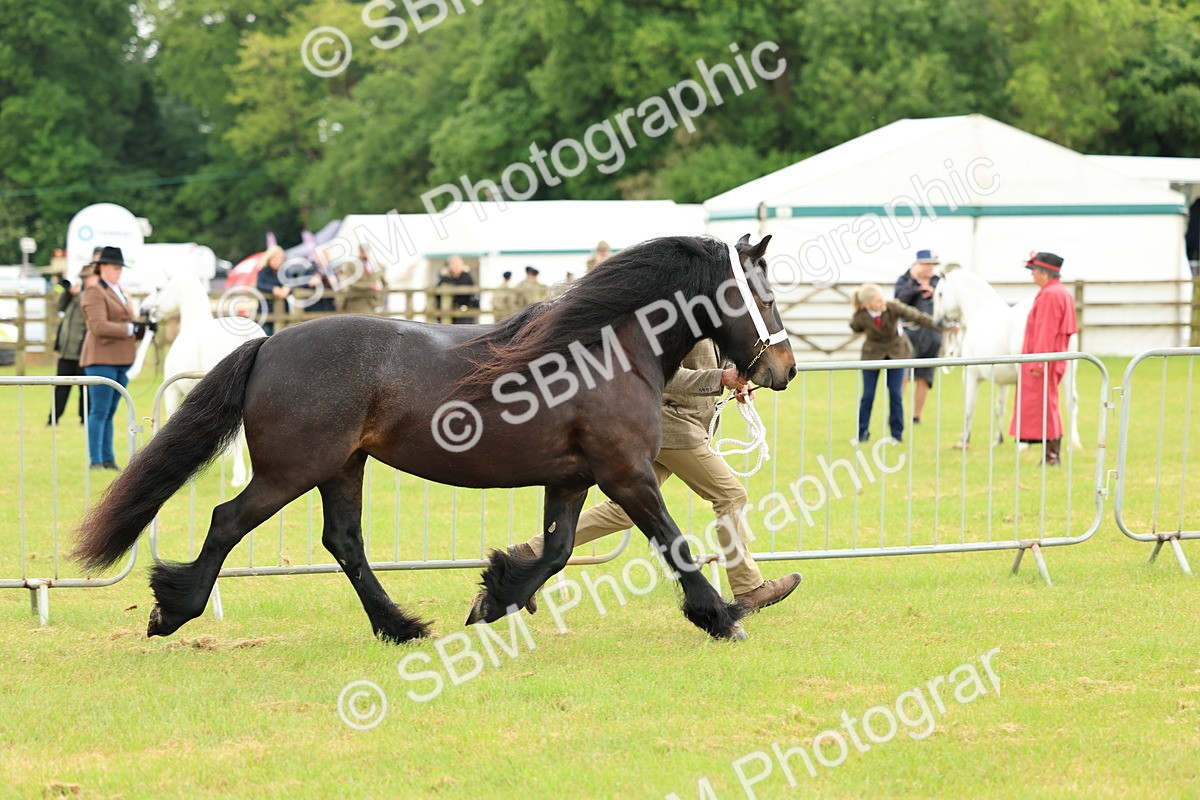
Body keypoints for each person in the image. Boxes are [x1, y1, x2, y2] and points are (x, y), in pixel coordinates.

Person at [502, 340, 803, 614]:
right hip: (673, 428)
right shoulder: (674, 316)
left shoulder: (708, 314)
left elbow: (713, 361)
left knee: (625, 510)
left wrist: (734, 379)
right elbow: (663, 374)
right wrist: (719, 379)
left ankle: (531, 552)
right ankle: (749, 588)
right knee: (730, 495)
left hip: (682, 427)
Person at [850, 283, 951, 444]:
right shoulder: (860, 316)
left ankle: (897, 434)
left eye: (882, 299)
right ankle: (862, 433)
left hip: (897, 352)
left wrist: (943, 327)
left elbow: (917, 316)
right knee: (868, 396)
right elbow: (855, 328)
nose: (882, 303)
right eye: (877, 302)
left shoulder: (893, 307)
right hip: (872, 355)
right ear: (866, 304)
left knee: (895, 394)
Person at [79, 246, 151, 470]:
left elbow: (128, 323)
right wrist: (130, 328)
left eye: (120, 267)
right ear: (102, 268)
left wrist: (143, 327)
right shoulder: (94, 292)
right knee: (99, 410)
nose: (118, 271)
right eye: (114, 267)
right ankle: (96, 460)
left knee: (110, 411)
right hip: (101, 357)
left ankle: (107, 458)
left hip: (122, 358)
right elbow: (98, 326)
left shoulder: (120, 290)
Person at [1011, 251, 1077, 466]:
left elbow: (1045, 331)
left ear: (1045, 273)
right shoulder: (1059, 292)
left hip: (1044, 359)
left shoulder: (1051, 295)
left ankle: (1052, 455)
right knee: (1049, 404)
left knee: (1046, 406)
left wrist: (1039, 361)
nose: (1033, 276)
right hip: (1052, 358)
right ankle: (1051, 453)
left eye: (1035, 271)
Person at [47, 250, 100, 425]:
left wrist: (79, 295)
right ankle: (53, 418)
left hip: (82, 350)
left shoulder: (91, 296)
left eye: (86, 277)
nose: (84, 280)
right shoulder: (74, 295)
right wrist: (68, 293)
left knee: (84, 389)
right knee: (60, 389)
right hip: (66, 350)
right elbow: (59, 307)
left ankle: (84, 419)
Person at [894, 249, 943, 424]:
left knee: (924, 377)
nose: (929, 268)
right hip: (909, 333)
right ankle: (897, 414)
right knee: (904, 374)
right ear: (916, 265)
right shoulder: (904, 280)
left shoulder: (939, 283)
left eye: (932, 264)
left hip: (932, 334)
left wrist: (933, 292)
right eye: (926, 264)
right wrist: (915, 286)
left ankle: (916, 416)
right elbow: (899, 300)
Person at [336, 245, 383, 314]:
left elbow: (385, 282)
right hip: (356, 303)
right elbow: (350, 283)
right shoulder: (351, 265)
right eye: (362, 251)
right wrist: (369, 286)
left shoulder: (377, 265)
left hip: (372, 304)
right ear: (359, 252)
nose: (364, 254)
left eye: (366, 251)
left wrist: (381, 297)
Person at [435, 255, 479, 323]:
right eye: (455, 265)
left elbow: (473, 293)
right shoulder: (445, 278)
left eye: (459, 265)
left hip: (465, 311)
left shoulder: (466, 276)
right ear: (449, 266)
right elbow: (437, 292)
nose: (457, 267)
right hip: (449, 312)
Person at [254, 246, 288, 335]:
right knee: (266, 334)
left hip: (282, 309)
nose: (278, 261)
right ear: (269, 259)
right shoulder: (263, 271)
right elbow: (259, 285)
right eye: (276, 259)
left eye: (280, 259)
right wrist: (273, 289)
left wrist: (287, 287)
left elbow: (292, 282)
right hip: (266, 309)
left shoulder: (284, 272)